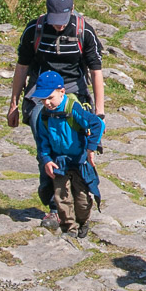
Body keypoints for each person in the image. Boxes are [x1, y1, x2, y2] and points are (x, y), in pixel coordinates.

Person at [7, 0, 105, 129]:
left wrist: (99, 113)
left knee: (79, 127)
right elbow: (22, 67)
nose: (59, 25)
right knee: (39, 123)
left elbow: (96, 71)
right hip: (41, 86)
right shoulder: (34, 30)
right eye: (55, 20)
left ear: (72, 9)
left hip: (72, 85)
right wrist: (13, 105)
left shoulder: (84, 32)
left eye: (63, 19)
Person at [29, 68, 104, 239]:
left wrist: (90, 149)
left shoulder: (73, 108)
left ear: (62, 91)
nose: (47, 103)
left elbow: (97, 124)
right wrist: (47, 159)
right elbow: (42, 140)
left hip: (79, 161)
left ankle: (83, 222)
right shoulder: (44, 116)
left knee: (82, 199)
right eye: (43, 99)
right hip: (59, 162)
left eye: (50, 97)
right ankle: (69, 228)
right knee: (61, 198)